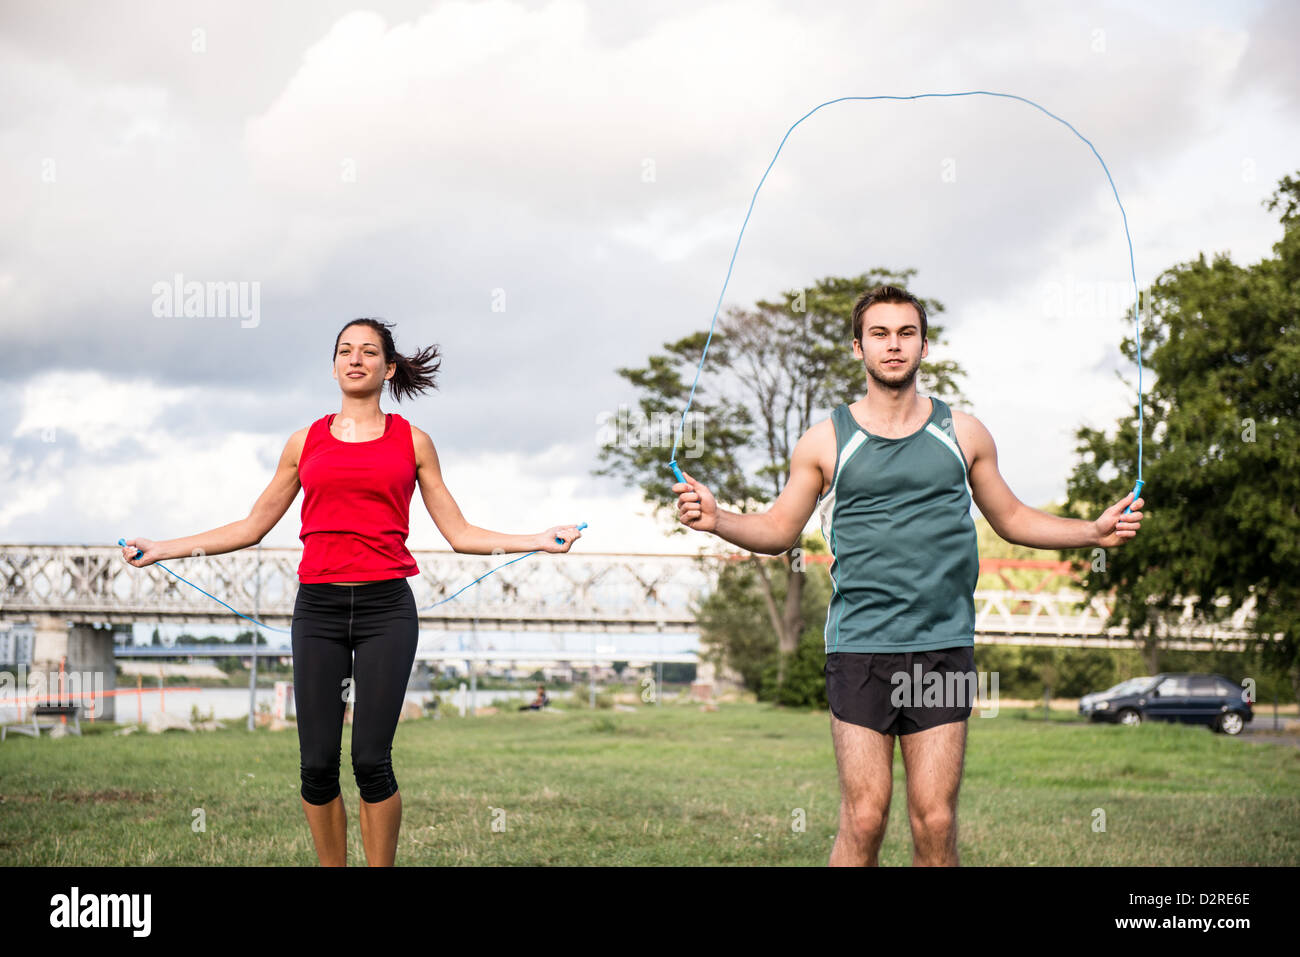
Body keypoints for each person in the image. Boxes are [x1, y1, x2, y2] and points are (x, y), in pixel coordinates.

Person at [672, 285, 1144, 866]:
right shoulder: (825, 441)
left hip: (942, 646)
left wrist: (1093, 533)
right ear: (857, 346)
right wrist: (718, 519)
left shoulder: (964, 433)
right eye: (879, 334)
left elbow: (1013, 517)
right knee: (864, 817)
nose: (893, 345)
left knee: (936, 820)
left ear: (924, 345)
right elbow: (777, 531)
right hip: (860, 648)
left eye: (905, 333)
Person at [121, 317, 583, 866]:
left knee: (370, 760)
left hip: (387, 609)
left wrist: (536, 538)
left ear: (388, 368)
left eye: (368, 352)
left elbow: (459, 533)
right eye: (345, 350)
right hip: (317, 609)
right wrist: (163, 548)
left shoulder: (412, 441)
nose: (355, 359)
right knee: (316, 765)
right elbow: (251, 527)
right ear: (334, 364)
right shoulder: (304, 441)